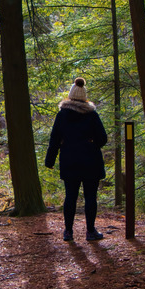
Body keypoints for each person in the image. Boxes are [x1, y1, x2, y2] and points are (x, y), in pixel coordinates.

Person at [45, 77, 108, 241]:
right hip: (90, 161)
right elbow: (103, 138)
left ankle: (68, 232)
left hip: (69, 160)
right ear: (84, 96)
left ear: (71, 95)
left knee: (70, 196)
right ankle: (90, 231)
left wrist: (50, 161)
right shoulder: (92, 115)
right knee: (90, 197)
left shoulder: (62, 115)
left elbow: (54, 139)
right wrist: (91, 142)